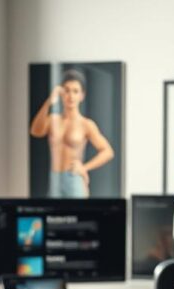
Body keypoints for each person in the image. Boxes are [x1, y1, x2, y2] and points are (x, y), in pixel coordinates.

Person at [30, 69, 114, 198]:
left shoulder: (86, 124)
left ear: (82, 95)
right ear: (61, 93)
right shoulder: (53, 120)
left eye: (75, 91)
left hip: (73, 177)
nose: (71, 96)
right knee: (51, 216)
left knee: (80, 216)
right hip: (55, 178)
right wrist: (49, 101)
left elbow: (108, 151)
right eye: (67, 90)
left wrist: (84, 167)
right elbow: (35, 131)